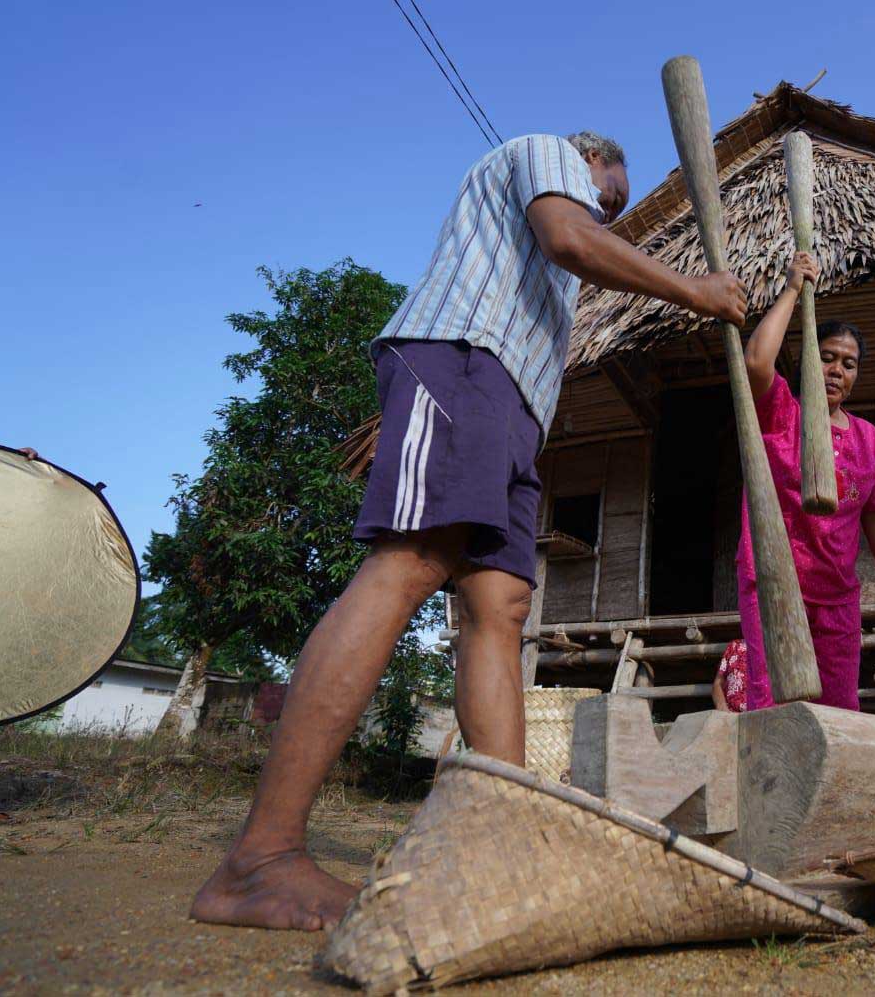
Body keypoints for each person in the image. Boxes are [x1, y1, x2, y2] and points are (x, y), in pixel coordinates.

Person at [192, 131, 749, 932]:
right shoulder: (547, 153)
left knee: (502, 612)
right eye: (610, 194)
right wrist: (696, 291)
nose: (607, 211)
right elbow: (567, 236)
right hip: (466, 365)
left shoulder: (555, 277)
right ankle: (260, 858)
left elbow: (549, 272)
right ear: (590, 156)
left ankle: (497, 838)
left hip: (506, 402)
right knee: (411, 562)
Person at [736, 252, 875, 711]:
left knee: (839, 710)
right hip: (776, 581)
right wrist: (793, 288)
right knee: (773, 703)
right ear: (809, 360)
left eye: (849, 364)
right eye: (828, 357)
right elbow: (755, 362)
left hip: (838, 596)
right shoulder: (782, 413)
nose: (837, 369)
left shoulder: (868, 439)